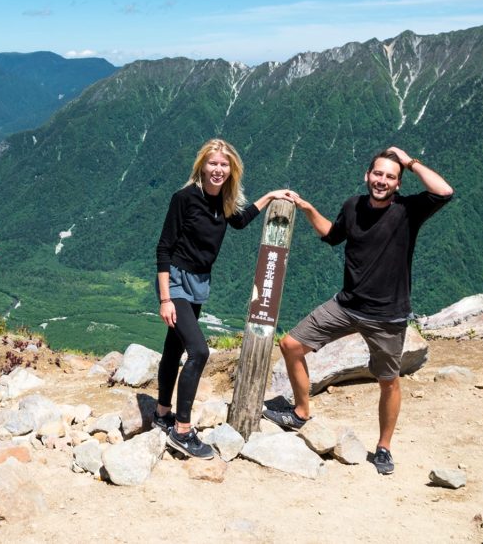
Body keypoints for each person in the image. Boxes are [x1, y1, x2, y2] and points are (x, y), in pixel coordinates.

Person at [262, 146, 453, 475]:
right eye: (377, 174)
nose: (382, 181)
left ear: (398, 182)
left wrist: (410, 161)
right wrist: (307, 207)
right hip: (347, 304)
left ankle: (383, 447)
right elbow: (332, 234)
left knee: (388, 381)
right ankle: (301, 411)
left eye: (390, 177)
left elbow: (444, 191)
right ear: (367, 175)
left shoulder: (409, 210)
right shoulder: (352, 206)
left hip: (387, 317)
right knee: (291, 344)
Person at [154, 138, 293, 459]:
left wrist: (271, 196)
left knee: (173, 347)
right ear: (201, 166)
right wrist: (165, 298)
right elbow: (163, 247)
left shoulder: (224, 202)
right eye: (213, 163)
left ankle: (162, 414)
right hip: (175, 281)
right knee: (199, 351)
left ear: (232, 170)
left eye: (224, 165)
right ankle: (182, 431)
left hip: (199, 282)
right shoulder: (184, 198)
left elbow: (241, 222)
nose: (218, 170)